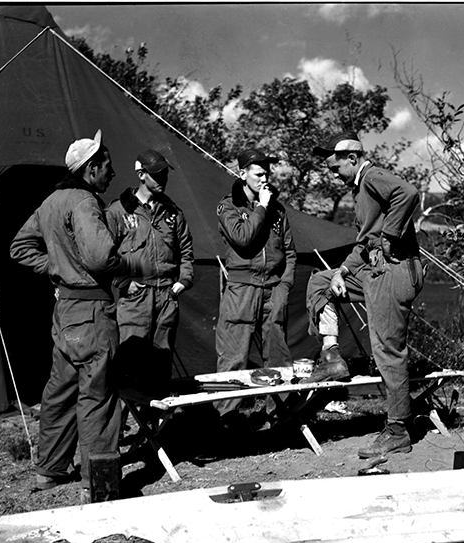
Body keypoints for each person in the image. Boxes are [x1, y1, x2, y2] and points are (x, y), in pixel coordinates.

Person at [10, 129, 125, 500]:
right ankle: (100, 481)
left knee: (59, 390)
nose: (111, 173)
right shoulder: (85, 202)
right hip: (92, 310)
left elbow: (19, 246)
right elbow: (100, 257)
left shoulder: (51, 202)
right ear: (91, 169)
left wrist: (56, 267)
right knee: (98, 394)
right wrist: (129, 266)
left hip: (65, 312)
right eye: (107, 167)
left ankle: (49, 469)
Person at [305, 131, 424, 457]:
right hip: (373, 270)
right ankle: (331, 358)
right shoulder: (360, 190)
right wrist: (343, 272)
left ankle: (398, 429)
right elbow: (364, 243)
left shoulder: (371, 177)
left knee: (387, 351)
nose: (334, 174)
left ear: (353, 159)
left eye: (336, 167)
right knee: (321, 282)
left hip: (393, 271)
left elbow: (409, 193)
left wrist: (389, 235)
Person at [214, 148, 296, 426]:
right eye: (258, 173)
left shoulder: (278, 210)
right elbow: (244, 239)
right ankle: (226, 419)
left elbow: (289, 251)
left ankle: (280, 416)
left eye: (267, 173)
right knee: (234, 356)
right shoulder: (228, 207)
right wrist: (261, 207)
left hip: (272, 288)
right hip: (241, 289)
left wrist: (284, 288)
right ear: (242, 174)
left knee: (278, 357)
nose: (265, 178)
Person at [105, 150, 194, 401]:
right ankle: (119, 429)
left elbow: (186, 250)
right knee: (128, 366)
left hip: (166, 296)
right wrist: (123, 283)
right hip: (135, 298)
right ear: (141, 175)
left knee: (160, 363)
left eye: (164, 173)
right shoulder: (118, 211)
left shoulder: (173, 213)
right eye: (156, 174)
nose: (162, 179)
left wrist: (183, 281)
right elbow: (103, 254)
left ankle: (154, 429)